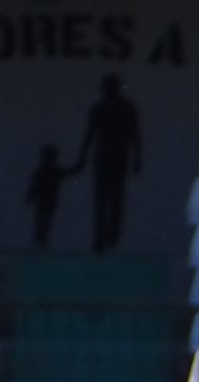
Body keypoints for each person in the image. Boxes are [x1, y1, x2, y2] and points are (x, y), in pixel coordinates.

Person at [80, 74, 140, 253]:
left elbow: (134, 134)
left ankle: (110, 234)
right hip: (107, 155)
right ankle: (104, 235)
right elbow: (90, 134)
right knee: (107, 197)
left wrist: (137, 157)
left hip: (114, 155)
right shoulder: (101, 108)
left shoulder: (118, 108)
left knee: (112, 197)